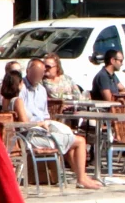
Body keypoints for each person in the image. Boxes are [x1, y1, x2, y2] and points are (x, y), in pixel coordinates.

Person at [15, 59, 102, 189]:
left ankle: (82, 177)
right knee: (79, 141)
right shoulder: (21, 90)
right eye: (36, 72)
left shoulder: (42, 90)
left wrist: (48, 125)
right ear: (28, 71)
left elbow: (45, 115)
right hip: (29, 134)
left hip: (43, 130)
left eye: (41, 72)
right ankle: (82, 178)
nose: (39, 75)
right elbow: (24, 123)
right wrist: (40, 124)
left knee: (71, 140)